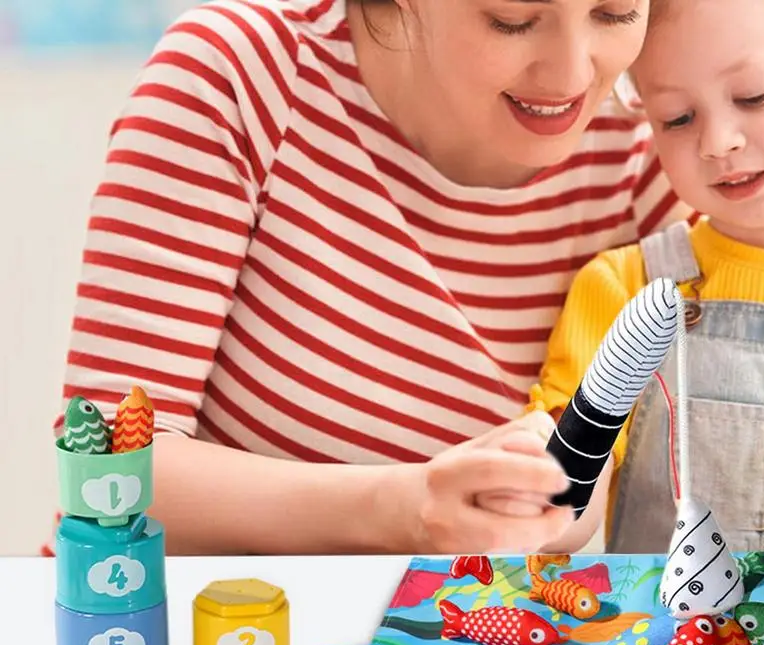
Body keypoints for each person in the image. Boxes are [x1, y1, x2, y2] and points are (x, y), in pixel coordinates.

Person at [47, 0, 692, 557]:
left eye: (614, 13)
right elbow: (107, 470)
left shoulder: (655, 147)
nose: (573, 73)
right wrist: (403, 509)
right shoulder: (245, 78)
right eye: (512, 19)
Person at [534, 0, 764, 554]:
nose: (717, 142)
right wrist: (537, 491)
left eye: (754, 96)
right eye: (677, 118)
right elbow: (560, 517)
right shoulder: (627, 289)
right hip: (678, 635)